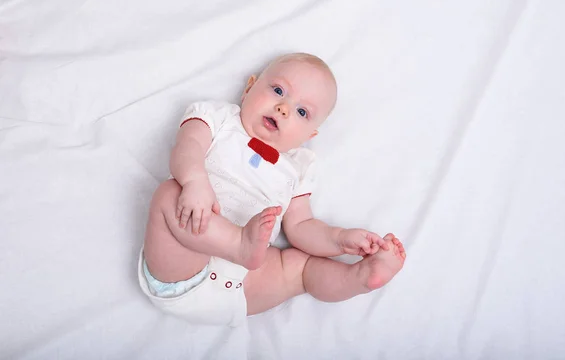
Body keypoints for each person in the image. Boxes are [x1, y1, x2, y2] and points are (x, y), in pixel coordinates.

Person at [138, 53, 406, 326]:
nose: (283, 108)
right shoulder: (217, 118)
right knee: (169, 195)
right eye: (278, 90)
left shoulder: (298, 168)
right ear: (249, 88)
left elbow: (301, 226)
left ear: (309, 136)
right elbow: (188, 148)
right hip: (182, 269)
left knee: (300, 269)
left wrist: (339, 239)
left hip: (242, 286)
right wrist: (194, 181)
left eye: (302, 112)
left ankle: (360, 277)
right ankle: (236, 243)